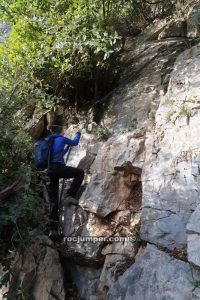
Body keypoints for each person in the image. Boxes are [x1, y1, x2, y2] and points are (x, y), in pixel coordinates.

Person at [47, 124, 84, 238]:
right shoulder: (61, 138)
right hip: (58, 168)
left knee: (53, 200)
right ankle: (70, 195)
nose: (64, 131)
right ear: (60, 131)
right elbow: (75, 142)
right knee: (80, 173)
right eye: (63, 129)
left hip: (49, 171)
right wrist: (78, 133)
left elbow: (57, 154)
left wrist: (66, 149)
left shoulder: (49, 140)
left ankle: (53, 230)